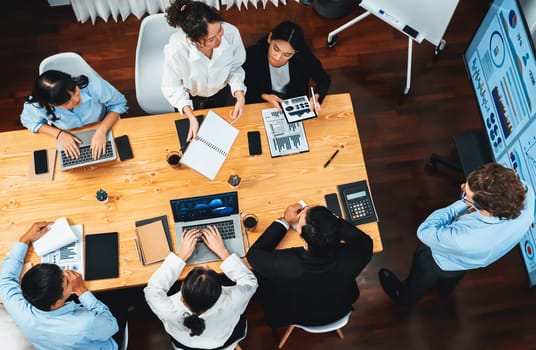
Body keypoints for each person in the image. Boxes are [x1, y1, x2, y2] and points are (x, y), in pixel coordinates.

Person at [379, 163, 535, 306]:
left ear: (487, 211)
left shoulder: (463, 239)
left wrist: (462, 203)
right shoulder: (527, 196)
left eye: (466, 193)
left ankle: (403, 298)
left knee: (418, 281)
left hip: (437, 260)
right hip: (466, 263)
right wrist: (471, 199)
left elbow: (425, 231)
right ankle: (444, 290)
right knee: (452, 276)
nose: (462, 187)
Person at [246, 204, 373, 327]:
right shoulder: (356, 256)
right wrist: (327, 220)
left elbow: (253, 255)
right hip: (338, 309)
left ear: (305, 243)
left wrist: (285, 221)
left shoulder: (286, 264)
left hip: (297, 314)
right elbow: (364, 241)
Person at [0, 222, 120, 349]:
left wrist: (25, 239)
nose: (70, 275)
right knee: (120, 293)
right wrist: (83, 291)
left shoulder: (20, 311)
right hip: (103, 338)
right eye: (68, 282)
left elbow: (5, 280)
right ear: (57, 303)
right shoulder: (84, 324)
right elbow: (112, 326)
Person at [144, 225, 258, 349]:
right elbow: (250, 282)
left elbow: (153, 290)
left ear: (182, 287)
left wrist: (181, 256)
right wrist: (222, 251)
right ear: (219, 292)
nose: (206, 265)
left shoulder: (167, 310)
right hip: (225, 343)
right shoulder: (232, 302)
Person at [163, 0, 246, 141]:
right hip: (190, 98)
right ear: (193, 39)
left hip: (220, 92)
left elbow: (235, 67)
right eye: (211, 39)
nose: (220, 39)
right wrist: (190, 116)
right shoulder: (176, 50)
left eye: (220, 30)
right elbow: (173, 87)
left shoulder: (231, 34)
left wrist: (239, 95)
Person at [20, 70, 128, 160]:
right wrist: (59, 134)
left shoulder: (95, 85)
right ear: (52, 104)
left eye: (75, 91)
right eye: (67, 102)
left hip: (102, 122)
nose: (77, 99)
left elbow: (119, 103)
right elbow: (29, 121)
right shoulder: (37, 105)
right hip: (68, 134)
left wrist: (102, 130)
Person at [243, 20, 331, 112]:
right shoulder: (251, 55)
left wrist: (316, 97)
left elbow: (324, 79)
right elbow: (244, 85)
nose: (278, 57)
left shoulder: (303, 57)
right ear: (270, 38)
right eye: (276, 49)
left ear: (295, 53)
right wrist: (263, 96)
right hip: (261, 104)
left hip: (294, 104)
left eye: (287, 55)